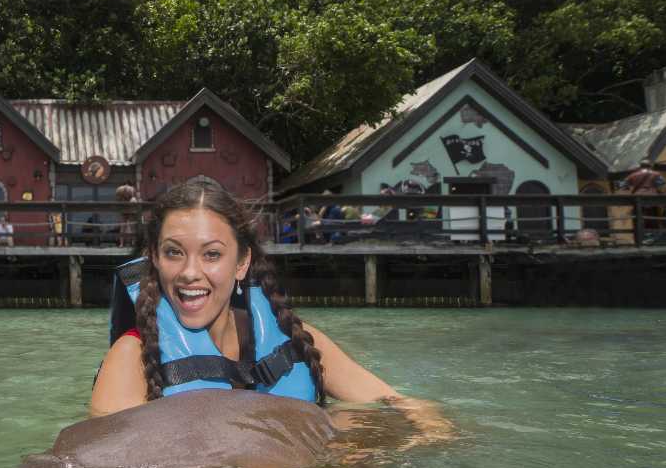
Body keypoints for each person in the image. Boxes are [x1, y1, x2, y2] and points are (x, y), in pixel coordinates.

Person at [90, 181, 453, 444]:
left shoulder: (292, 337)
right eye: (173, 252)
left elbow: (394, 401)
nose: (189, 272)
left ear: (242, 262)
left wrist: (431, 428)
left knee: (354, 428)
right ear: (154, 258)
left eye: (212, 254)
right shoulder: (131, 358)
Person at [619, 158, 666, 236]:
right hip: (653, 200)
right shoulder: (656, 174)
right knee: (654, 219)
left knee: (638, 219)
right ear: (650, 166)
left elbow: (622, 185)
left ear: (640, 166)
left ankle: (641, 237)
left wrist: (630, 189)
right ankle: (655, 235)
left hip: (637, 199)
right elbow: (662, 187)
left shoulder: (633, 175)